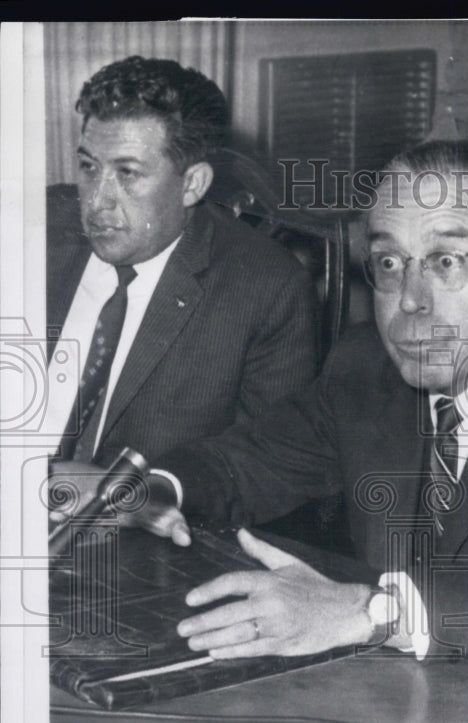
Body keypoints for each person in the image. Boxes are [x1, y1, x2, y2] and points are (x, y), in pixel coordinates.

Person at [102, 140, 468, 663]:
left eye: (446, 261)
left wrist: (366, 612)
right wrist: (150, 488)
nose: (410, 301)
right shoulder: (366, 365)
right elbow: (251, 459)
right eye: (389, 263)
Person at [45, 55, 317, 470]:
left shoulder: (267, 289)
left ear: (193, 184)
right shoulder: (33, 229)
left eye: (128, 173)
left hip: (133, 528)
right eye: (88, 167)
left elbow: (268, 462)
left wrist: (134, 496)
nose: (96, 202)